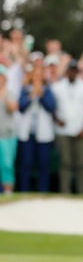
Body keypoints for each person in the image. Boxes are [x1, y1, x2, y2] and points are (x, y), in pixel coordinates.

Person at [52, 59, 83, 194]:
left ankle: (82, 192)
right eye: (70, 70)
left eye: (74, 70)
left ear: (77, 72)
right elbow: (52, 108)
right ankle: (65, 191)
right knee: (65, 162)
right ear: (66, 71)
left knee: (81, 163)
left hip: (81, 130)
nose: (72, 72)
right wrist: (57, 120)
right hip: (63, 131)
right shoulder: (57, 87)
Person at [16, 59, 57, 192]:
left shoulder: (48, 90)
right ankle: (24, 190)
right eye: (35, 75)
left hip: (43, 134)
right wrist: (31, 96)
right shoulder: (25, 90)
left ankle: (43, 191)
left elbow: (51, 107)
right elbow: (21, 107)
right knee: (26, 164)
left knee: (43, 164)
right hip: (27, 134)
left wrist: (42, 94)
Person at [0, 65, 18, 194]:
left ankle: (8, 191)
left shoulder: (10, 92)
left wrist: (4, 94)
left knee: (7, 165)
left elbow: (12, 108)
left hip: (7, 135)